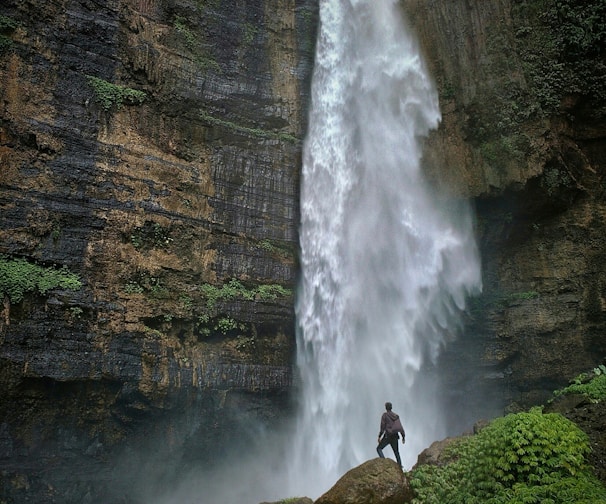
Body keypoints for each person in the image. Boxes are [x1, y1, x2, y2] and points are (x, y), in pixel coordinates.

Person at [376, 401, 406, 468]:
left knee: (379, 449)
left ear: (386, 408)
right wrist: (403, 437)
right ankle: (400, 466)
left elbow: (382, 427)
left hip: (388, 436)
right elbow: (400, 427)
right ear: (391, 408)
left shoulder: (385, 415)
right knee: (396, 452)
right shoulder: (396, 416)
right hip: (395, 436)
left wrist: (379, 436)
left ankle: (384, 462)